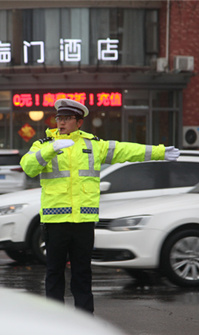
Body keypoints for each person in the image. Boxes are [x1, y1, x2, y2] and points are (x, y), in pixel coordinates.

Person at [20, 99, 180, 314]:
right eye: (59, 118)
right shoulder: (43, 144)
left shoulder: (93, 145)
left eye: (67, 119)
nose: (61, 122)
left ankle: (85, 320)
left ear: (79, 122)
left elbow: (126, 150)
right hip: (55, 221)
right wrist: (51, 149)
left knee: (83, 274)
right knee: (54, 273)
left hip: (83, 223)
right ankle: (55, 321)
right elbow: (28, 167)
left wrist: (160, 153)